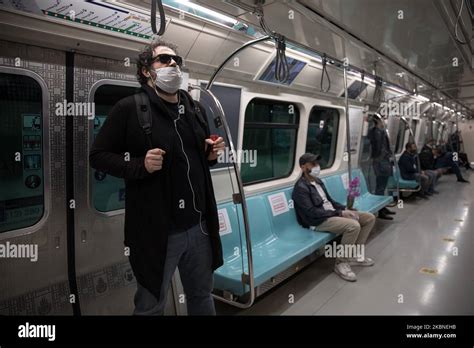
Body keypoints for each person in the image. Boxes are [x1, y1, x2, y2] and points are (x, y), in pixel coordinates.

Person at [89, 38, 226, 315]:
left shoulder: (195, 110)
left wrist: (211, 156)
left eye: (177, 60)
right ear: (146, 71)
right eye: (164, 60)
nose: (173, 63)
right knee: (151, 305)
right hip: (159, 232)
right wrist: (140, 165)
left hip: (199, 226)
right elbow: (98, 156)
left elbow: (197, 160)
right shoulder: (129, 109)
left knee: (202, 296)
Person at [292, 153, 376, 282]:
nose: (317, 166)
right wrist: (339, 213)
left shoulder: (318, 182)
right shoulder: (300, 188)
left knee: (369, 218)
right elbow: (312, 212)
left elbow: (330, 201)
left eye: (317, 163)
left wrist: (344, 209)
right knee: (353, 226)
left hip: (331, 214)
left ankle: (355, 255)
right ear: (303, 167)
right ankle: (341, 263)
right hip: (317, 221)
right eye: (313, 164)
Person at [367, 114, 396, 220]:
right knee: (379, 187)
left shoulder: (383, 132)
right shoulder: (374, 132)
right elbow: (376, 148)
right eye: (383, 119)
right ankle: (380, 211)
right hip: (379, 162)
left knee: (383, 186)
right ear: (378, 121)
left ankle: (383, 207)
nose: (385, 121)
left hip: (385, 161)